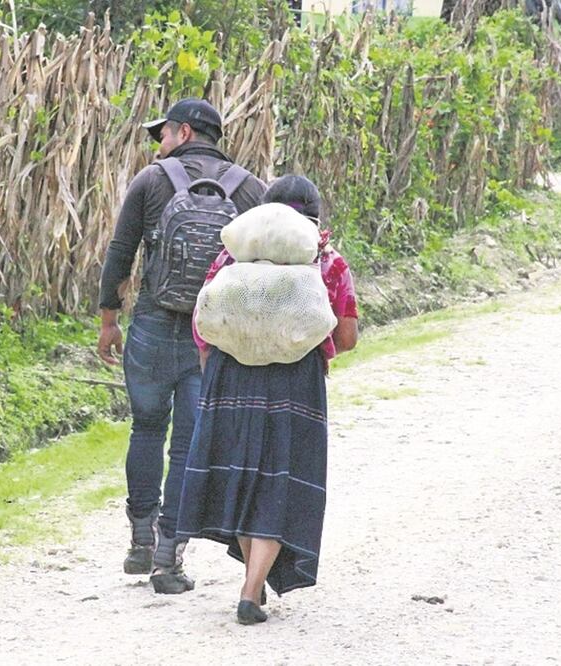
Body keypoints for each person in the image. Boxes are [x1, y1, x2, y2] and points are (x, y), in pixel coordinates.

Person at [97, 98, 267, 593]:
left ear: (186, 132)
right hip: (210, 335)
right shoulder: (250, 189)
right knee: (190, 445)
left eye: (164, 134)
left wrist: (109, 318)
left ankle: (139, 539)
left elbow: (121, 249)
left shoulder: (151, 181)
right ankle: (168, 557)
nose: (160, 144)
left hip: (151, 320)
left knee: (146, 429)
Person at [176, 174, 358, 623]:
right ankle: (250, 589)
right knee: (282, 479)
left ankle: (252, 588)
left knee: (239, 475)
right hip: (296, 385)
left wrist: (215, 367)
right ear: (314, 215)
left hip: (230, 378)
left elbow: (204, 323)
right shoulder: (328, 261)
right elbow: (347, 334)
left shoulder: (231, 255)